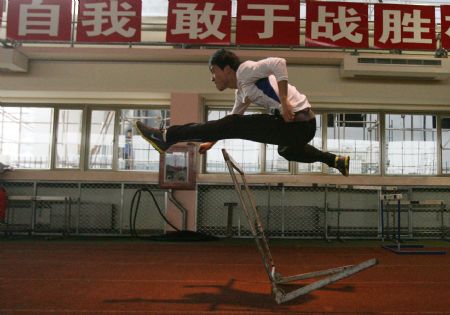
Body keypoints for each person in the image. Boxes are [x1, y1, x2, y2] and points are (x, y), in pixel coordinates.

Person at [136, 49, 350, 176]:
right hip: (297, 128)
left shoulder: (245, 71)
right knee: (285, 150)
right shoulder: (242, 91)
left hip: (298, 122)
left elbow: (279, 63)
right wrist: (212, 141)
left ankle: (167, 136)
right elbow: (233, 118)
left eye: (213, 72)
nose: (212, 79)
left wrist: (284, 101)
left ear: (227, 69)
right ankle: (335, 161)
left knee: (233, 124)